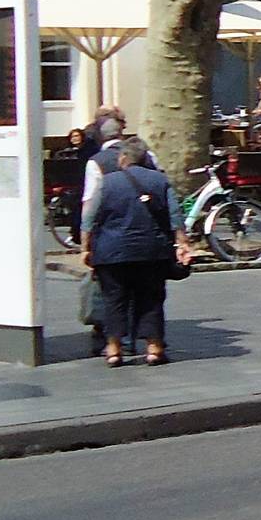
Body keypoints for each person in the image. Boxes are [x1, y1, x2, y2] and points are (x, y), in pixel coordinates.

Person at [83, 138, 188, 367]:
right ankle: (154, 348)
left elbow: (89, 219)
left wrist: (86, 248)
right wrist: (182, 245)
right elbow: (175, 217)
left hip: (111, 252)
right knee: (151, 299)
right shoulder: (160, 180)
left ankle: (113, 350)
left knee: (114, 300)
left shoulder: (106, 182)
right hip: (152, 251)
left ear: (122, 159)